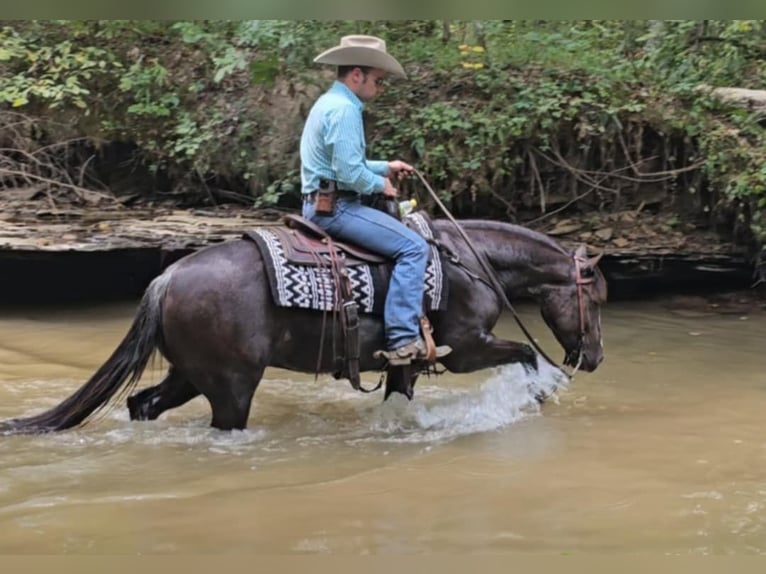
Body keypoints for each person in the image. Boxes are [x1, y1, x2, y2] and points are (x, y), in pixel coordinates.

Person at [300, 35, 449, 364]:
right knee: (414, 248)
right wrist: (380, 184)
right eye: (378, 81)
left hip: (318, 200)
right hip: (336, 208)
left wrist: (385, 166)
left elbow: (339, 163)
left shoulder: (327, 103)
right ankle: (402, 339)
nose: (380, 89)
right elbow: (351, 175)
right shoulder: (345, 111)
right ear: (357, 75)